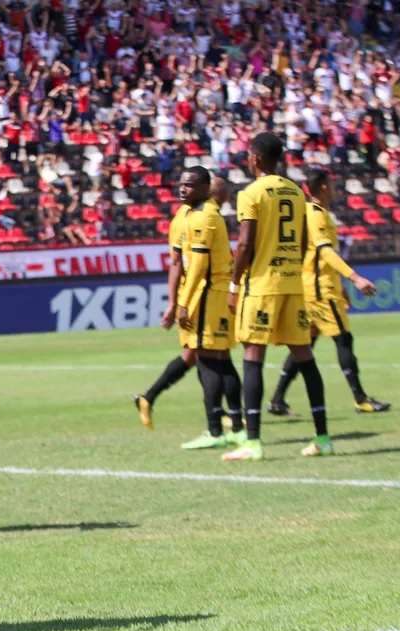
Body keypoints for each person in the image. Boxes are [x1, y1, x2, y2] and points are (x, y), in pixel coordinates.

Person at [225, 132, 330, 461]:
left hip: (262, 285)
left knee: (253, 354)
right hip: (292, 283)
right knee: (305, 358)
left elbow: (245, 243)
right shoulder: (297, 192)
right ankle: (323, 437)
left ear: (255, 159)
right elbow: (301, 242)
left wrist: (233, 284)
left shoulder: (251, 192)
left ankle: (253, 442)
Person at [267, 169, 389, 416]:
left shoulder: (311, 214)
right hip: (320, 289)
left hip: (313, 286)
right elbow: (325, 252)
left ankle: (277, 400)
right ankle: (360, 399)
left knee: (305, 344)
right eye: (330, 184)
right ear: (323, 187)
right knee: (343, 339)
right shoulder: (317, 215)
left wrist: (341, 286)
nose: (333, 188)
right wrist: (354, 277)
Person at [134, 178, 243, 439]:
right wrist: (175, 304)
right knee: (206, 356)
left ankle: (151, 398)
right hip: (198, 296)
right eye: (225, 195)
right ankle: (222, 421)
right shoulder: (189, 219)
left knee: (204, 356)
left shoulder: (201, 216)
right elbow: (178, 263)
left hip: (204, 295)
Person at [175, 167, 247, 450]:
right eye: (181, 184)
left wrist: (183, 302)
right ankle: (238, 428)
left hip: (207, 295)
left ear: (206, 189)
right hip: (216, 294)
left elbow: (199, 266)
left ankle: (215, 430)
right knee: (222, 361)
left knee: (206, 362)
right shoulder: (205, 214)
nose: (183, 189)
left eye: (190, 185)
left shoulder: (203, 217)